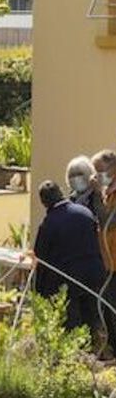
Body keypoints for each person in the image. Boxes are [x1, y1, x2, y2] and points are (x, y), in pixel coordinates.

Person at [33, 179, 106, 338]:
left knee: (72, 322)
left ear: (44, 202)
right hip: (94, 275)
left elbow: (41, 258)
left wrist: (38, 289)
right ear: (60, 193)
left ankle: (77, 356)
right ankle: (98, 351)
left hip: (68, 279)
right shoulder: (85, 212)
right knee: (92, 317)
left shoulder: (49, 223)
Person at [92, 150, 116, 352]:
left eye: (101, 170)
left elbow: (109, 220)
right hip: (109, 262)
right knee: (108, 309)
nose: (98, 175)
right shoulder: (108, 192)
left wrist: (98, 194)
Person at [66, 154, 106, 223]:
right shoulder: (70, 200)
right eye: (72, 175)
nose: (76, 178)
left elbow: (103, 218)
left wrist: (98, 194)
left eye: (80, 174)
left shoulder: (98, 195)